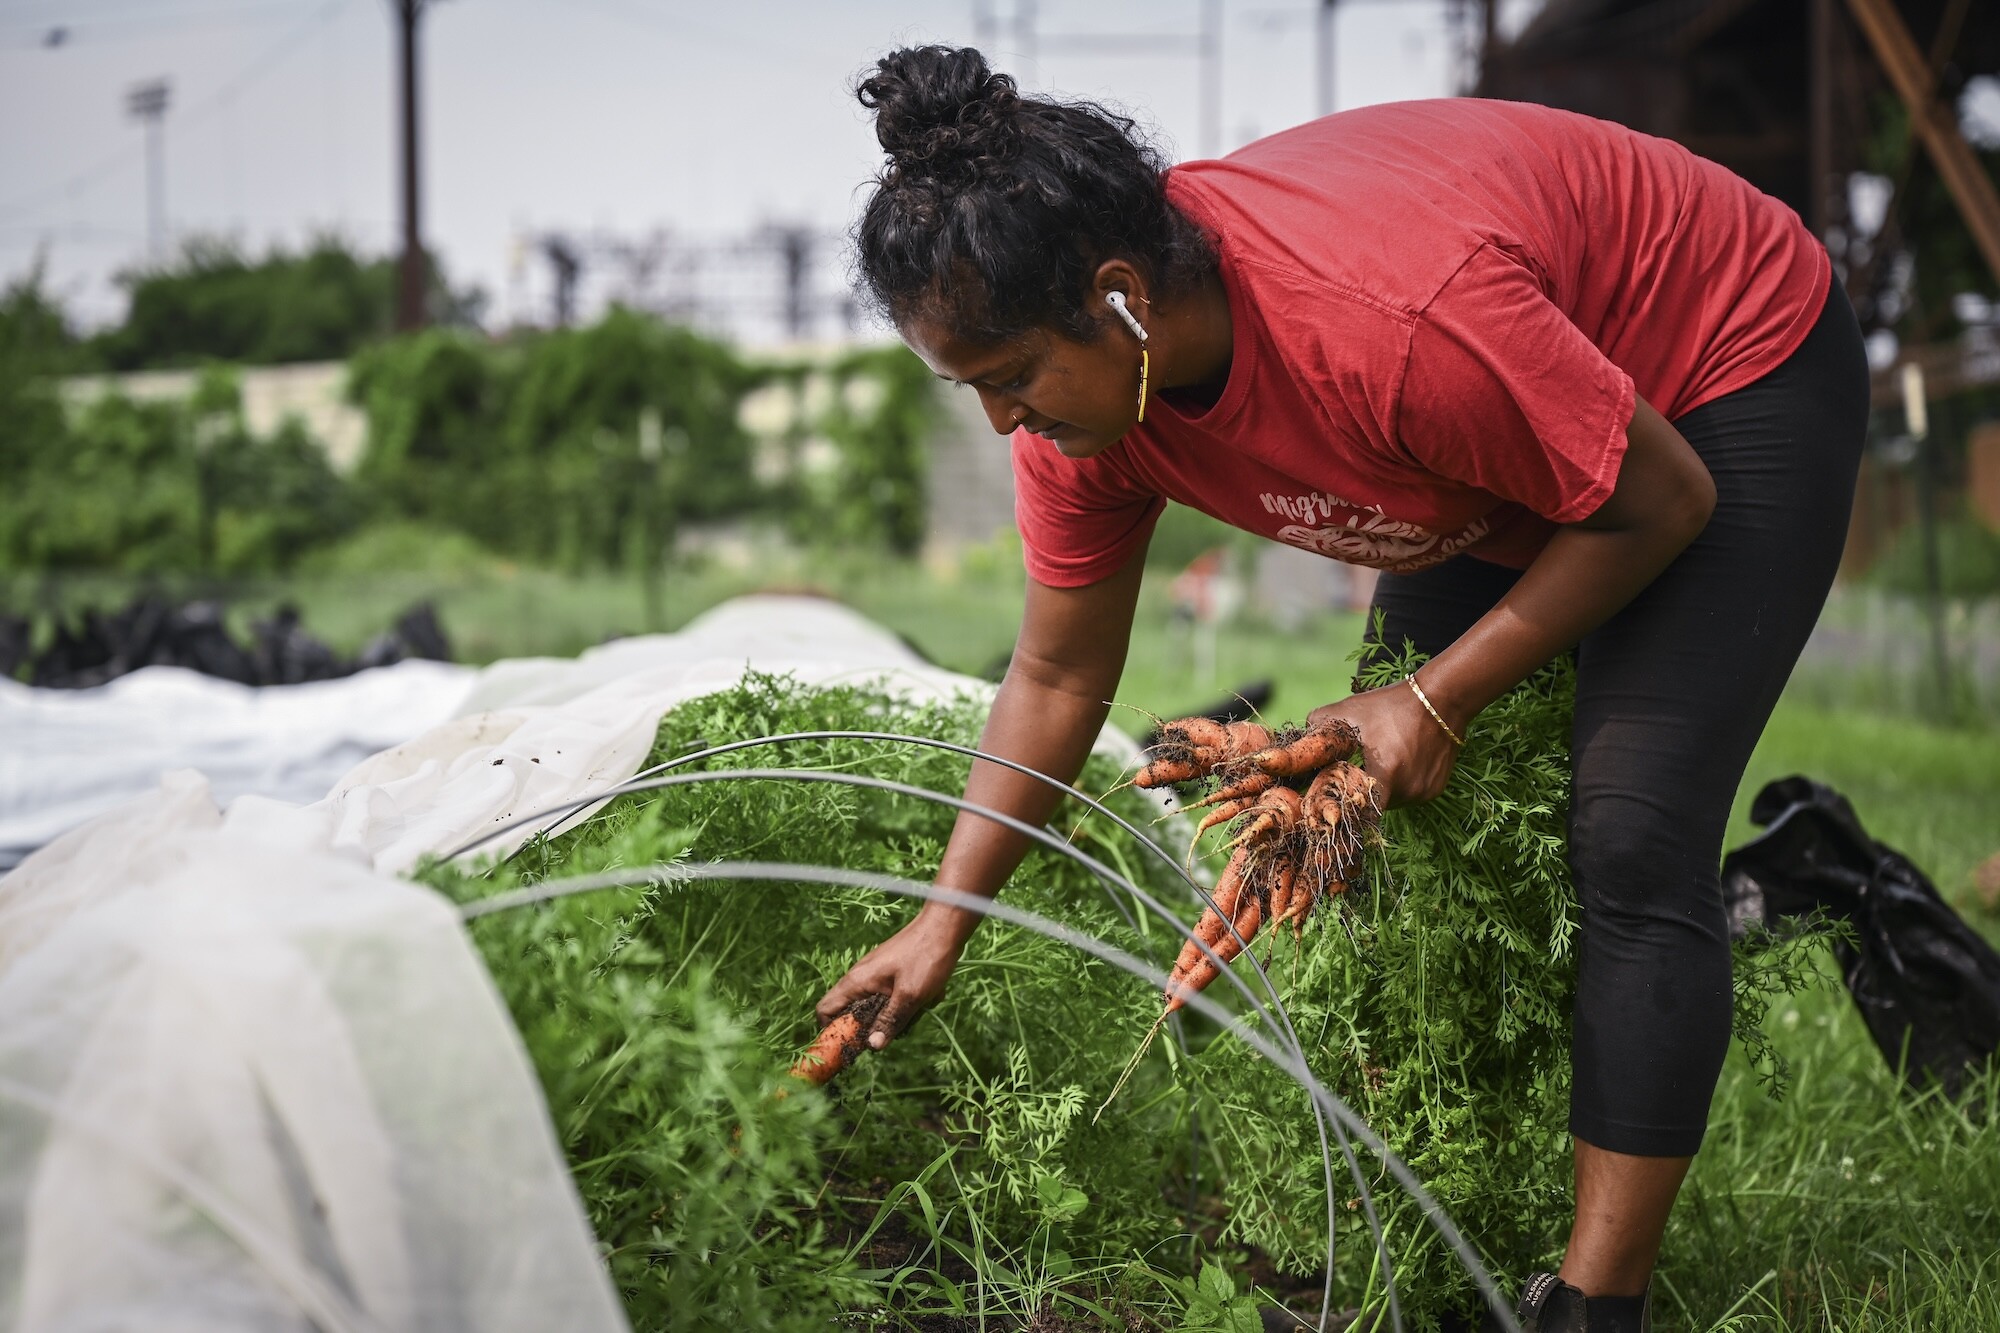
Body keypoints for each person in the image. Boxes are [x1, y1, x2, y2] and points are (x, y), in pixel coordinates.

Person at [816, 44, 1868, 1332]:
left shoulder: (1386, 326)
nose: (1000, 423)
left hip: (1720, 366)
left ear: (1121, 299)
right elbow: (1056, 668)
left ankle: (1594, 1309)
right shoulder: (1090, 418)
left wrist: (1434, 699)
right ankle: (1425, 1260)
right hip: (1484, 430)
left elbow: (1662, 501)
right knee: (1354, 825)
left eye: (1013, 379)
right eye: (975, 388)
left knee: (1630, 827)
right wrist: (942, 921)